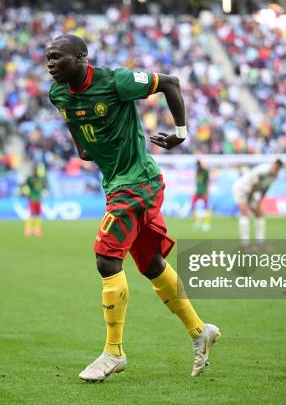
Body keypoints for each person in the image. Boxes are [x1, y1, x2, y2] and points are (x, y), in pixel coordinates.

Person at [46, 34, 220, 382]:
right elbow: (75, 126)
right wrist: (84, 146)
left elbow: (170, 82)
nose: (49, 63)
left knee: (106, 256)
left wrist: (181, 134)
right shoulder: (58, 94)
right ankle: (200, 331)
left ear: (81, 57)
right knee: (151, 265)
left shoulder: (115, 81)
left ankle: (114, 351)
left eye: (56, 57)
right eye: (47, 57)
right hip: (116, 186)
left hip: (139, 182)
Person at [232, 160, 282, 248]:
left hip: (252, 192)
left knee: (260, 214)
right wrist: (250, 199)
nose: (275, 169)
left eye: (277, 169)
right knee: (245, 214)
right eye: (275, 167)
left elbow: (266, 187)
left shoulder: (275, 176)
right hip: (241, 189)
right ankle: (246, 245)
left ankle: (260, 243)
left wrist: (260, 200)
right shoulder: (262, 171)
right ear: (273, 165)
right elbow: (254, 185)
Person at [22, 166, 45, 237]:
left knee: (37, 215)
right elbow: (25, 185)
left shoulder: (41, 179)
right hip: (32, 198)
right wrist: (26, 192)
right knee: (31, 214)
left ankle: (36, 230)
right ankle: (28, 229)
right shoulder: (30, 178)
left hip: (38, 198)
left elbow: (42, 187)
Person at [191, 160, 211, 231]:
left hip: (204, 191)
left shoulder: (205, 171)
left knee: (206, 207)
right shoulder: (197, 171)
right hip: (197, 191)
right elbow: (197, 182)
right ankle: (198, 222)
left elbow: (208, 182)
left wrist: (207, 192)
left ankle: (206, 223)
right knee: (193, 206)